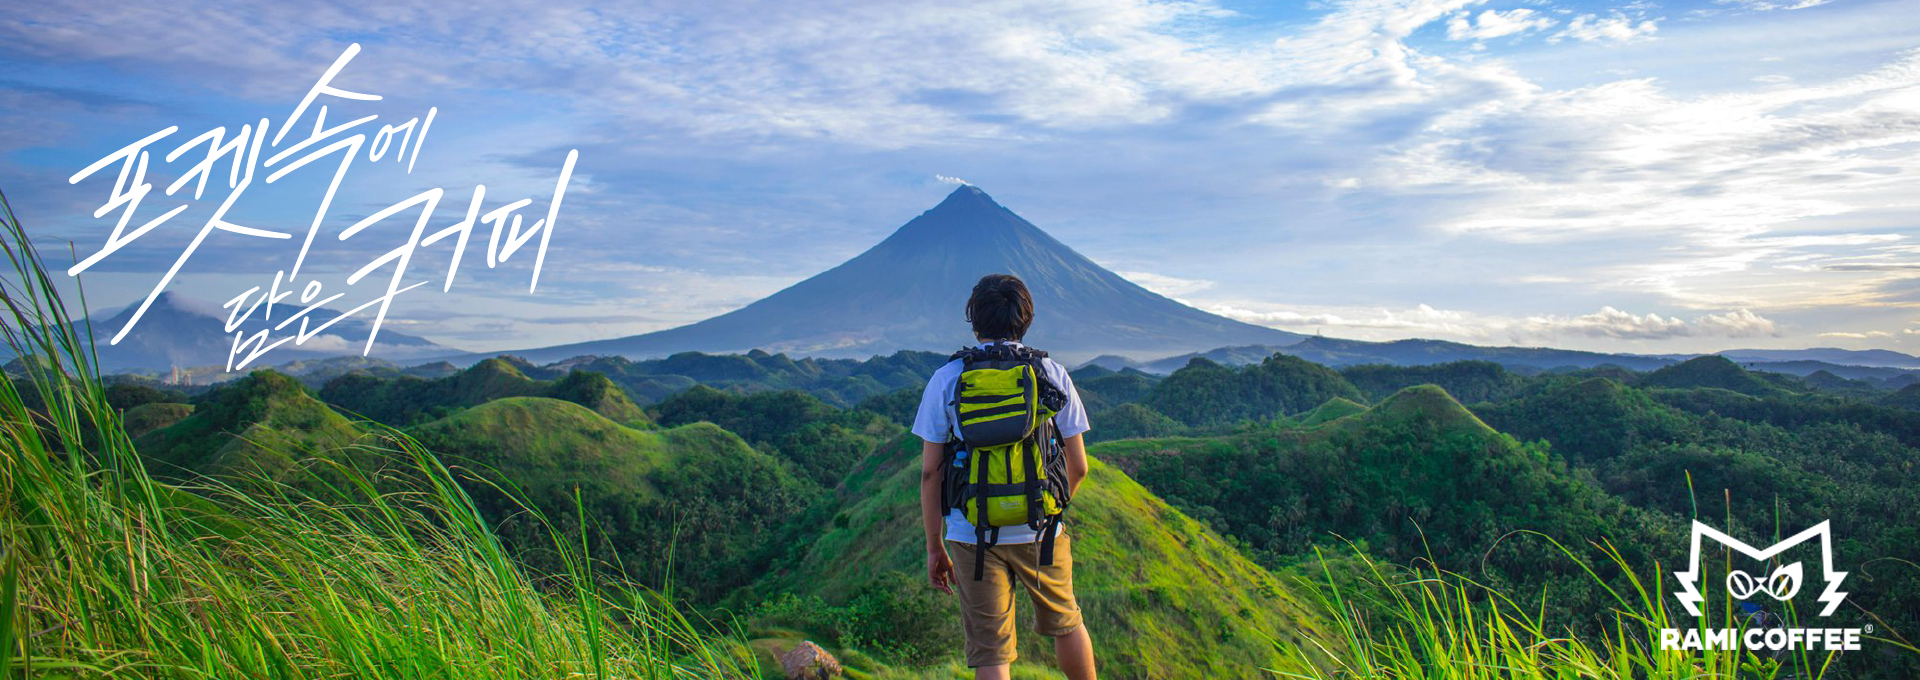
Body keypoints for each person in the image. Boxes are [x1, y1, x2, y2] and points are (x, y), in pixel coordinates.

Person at [913, 273, 1097, 680]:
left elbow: (930, 473)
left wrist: (934, 545)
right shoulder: (1050, 372)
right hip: (1041, 530)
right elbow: (1078, 465)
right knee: (1067, 623)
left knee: (991, 652)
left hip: (971, 533)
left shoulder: (947, 379)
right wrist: (1048, 508)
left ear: (974, 322)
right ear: (1025, 319)